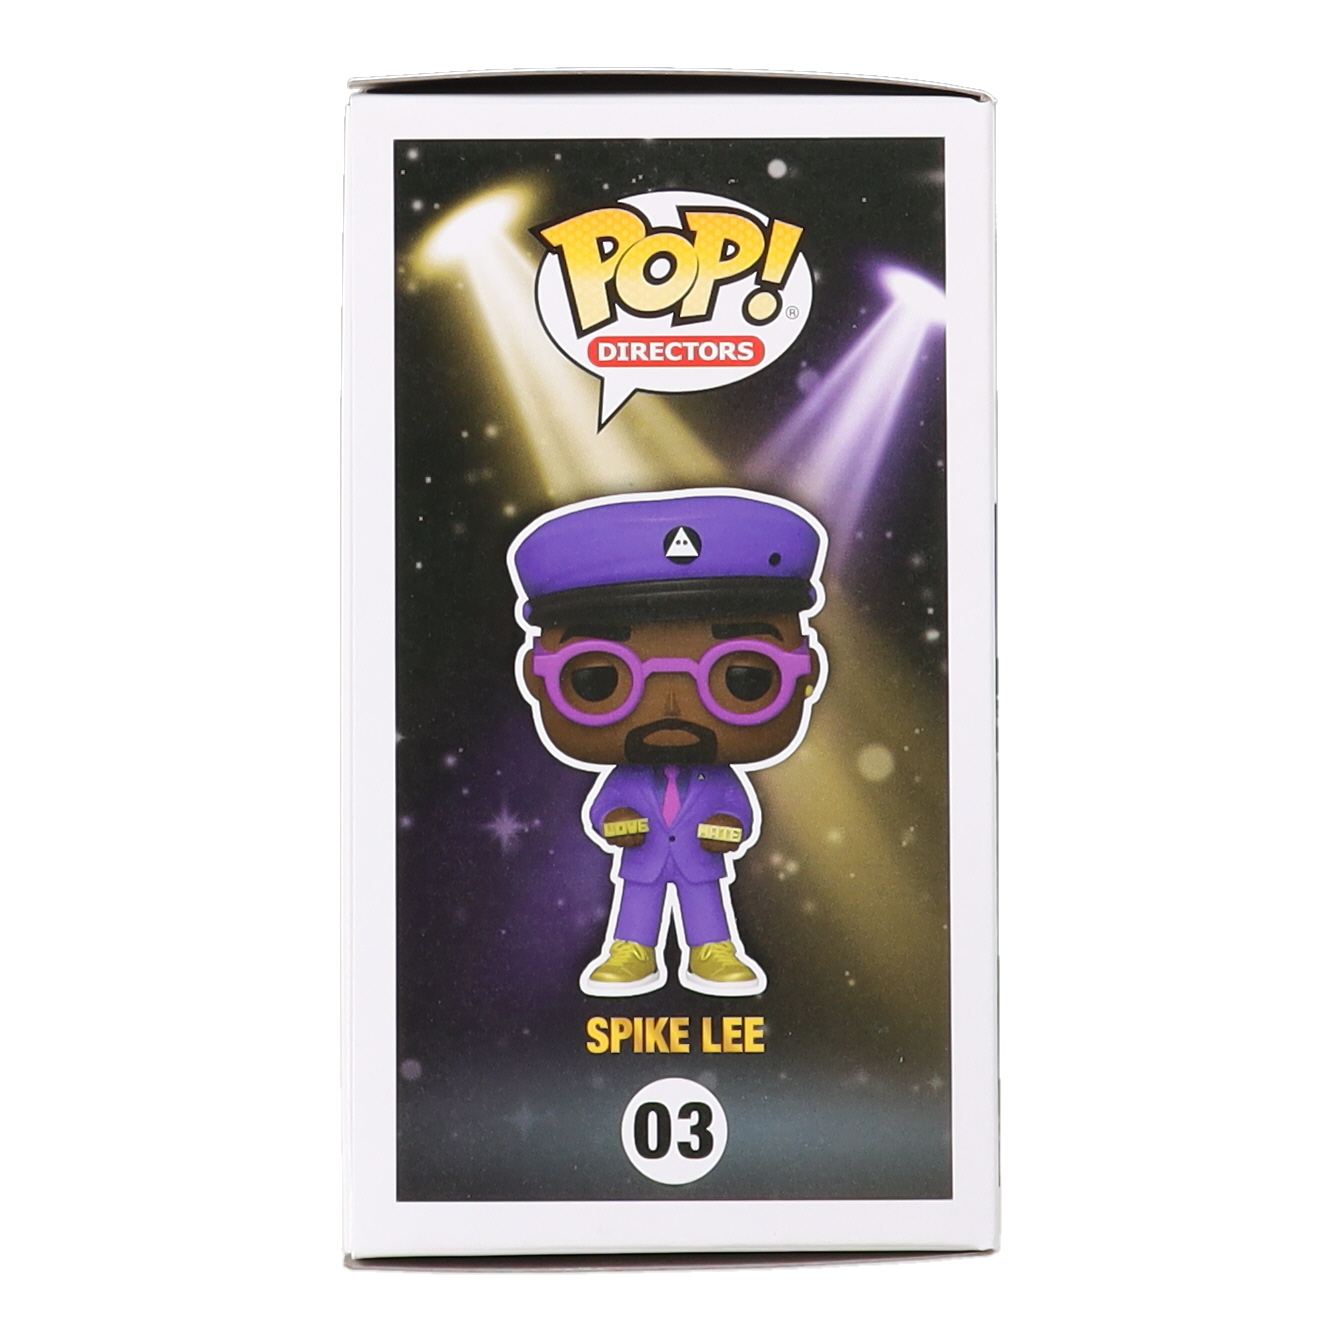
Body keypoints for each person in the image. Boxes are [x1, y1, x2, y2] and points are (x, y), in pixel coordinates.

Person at [509, 488, 827, 997]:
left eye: (744, 677)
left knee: (706, 907)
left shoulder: (717, 778)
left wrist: (730, 827)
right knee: (637, 906)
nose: (673, 707)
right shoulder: (625, 778)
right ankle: (631, 951)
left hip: (700, 862)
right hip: (642, 861)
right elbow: (604, 809)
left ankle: (713, 951)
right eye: (599, 679)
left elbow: (738, 811)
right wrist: (615, 821)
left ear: (807, 674)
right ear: (534, 678)